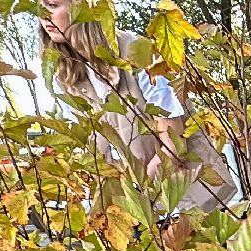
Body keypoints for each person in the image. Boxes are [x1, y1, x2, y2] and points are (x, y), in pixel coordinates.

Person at [38, 0, 238, 215]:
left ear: (84, 6)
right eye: (39, 6)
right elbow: (94, 153)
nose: (43, 15)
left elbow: (174, 142)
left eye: (52, 5)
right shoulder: (66, 75)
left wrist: (136, 193)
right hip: (135, 211)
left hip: (190, 201)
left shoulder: (138, 53)